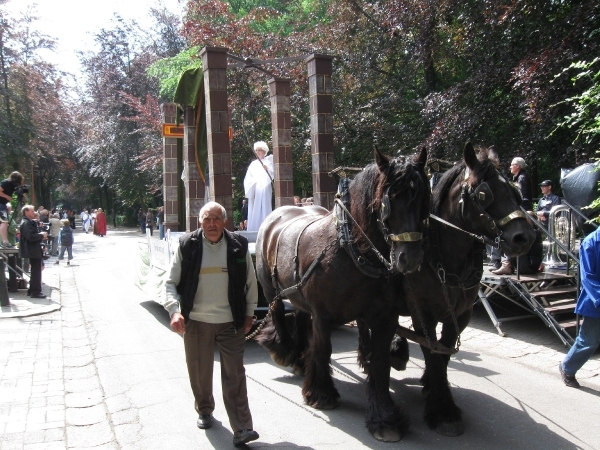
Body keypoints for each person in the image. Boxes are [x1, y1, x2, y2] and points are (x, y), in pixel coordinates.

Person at [164, 201, 260, 446]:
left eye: (216, 218)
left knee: (235, 374)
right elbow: (170, 283)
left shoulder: (238, 245)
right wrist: (175, 311)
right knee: (199, 371)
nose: (212, 224)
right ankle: (205, 409)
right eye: (207, 219)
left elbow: (250, 282)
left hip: (231, 321)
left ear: (225, 221)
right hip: (196, 320)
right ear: (200, 222)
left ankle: (242, 428)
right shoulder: (188, 245)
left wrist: (249, 313)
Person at [559, 226, 600, 388]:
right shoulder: (590, 242)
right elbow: (587, 277)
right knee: (589, 341)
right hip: (595, 301)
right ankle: (567, 368)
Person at [490, 156, 532, 273]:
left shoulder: (522, 178)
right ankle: (503, 262)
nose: (510, 167)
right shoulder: (519, 177)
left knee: (503, 231)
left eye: (512, 164)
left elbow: (520, 197)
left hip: (522, 211)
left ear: (518, 166)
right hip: (520, 211)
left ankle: (506, 264)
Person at [243, 141, 274, 232]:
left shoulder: (268, 162)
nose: (257, 152)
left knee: (265, 206)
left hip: (265, 188)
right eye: (256, 151)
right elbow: (248, 177)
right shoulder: (253, 164)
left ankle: (266, 228)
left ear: (264, 151)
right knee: (254, 208)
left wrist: (267, 169)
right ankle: (255, 228)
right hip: (256, 188)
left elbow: (272, 174)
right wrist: (253, 182)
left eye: (259, 150)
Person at [19, 205, 48, 298]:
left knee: (35, 270)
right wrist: (41, 235)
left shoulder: (28, 222)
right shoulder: (26, 223)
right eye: (32, 211)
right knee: (36, 271)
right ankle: (35, 292)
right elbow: (30, 237)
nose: (34, 212)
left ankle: (32, 290)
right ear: (26, 212)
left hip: (33, 249)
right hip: (32, 249)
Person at [0, 171, 24, 248]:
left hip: (3, 204)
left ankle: (5, 241)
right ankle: (5, 242)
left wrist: (22, 194)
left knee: (4, 222)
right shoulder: (6, 182)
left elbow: (19, 194)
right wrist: (7, 197)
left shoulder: (13, 186)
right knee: (4, 222)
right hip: (1, 204)